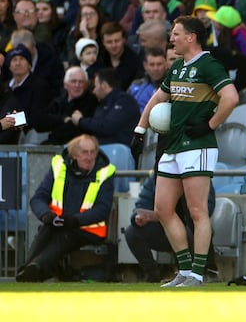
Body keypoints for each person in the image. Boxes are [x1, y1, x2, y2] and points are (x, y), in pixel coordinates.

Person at [131, 15, 239, 287]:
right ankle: (185, 269)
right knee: (163, 209)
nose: (171, 39)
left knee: (197, 210)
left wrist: (210, 124)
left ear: (191, 36)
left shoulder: (209, 65)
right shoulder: (177, 67)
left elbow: (231, 97)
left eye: (176, 34)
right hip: (174, 144)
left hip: (198, 145)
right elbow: (158, 98)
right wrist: (140, 130)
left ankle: (198, 274)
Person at [16, 134, 115, 282]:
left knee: (64, 237)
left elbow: (102, 209)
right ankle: (27, 269)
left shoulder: (105, 172)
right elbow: (38, 198)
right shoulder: (59, 167)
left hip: (88, 229)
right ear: (74, 155)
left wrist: (75, 220)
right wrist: (46, 214)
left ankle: (36, 268)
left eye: (92, 152)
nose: (89, 157)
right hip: (59, 223)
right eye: (84, 152)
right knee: (46, 229)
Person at [124, 173, 216, 283]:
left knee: (191, 230)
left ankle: (199, 271)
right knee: (132, 232)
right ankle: (153, 273)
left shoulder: (198, 176)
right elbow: (141, 206)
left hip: (190, 227)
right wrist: (139, 217)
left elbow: (206, 209)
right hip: (163, 228)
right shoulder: (157, 177)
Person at [71, 67, 139, 145]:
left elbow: (108, 126)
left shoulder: (125, 101)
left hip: (118, 149)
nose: (94, 91)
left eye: (95, 86)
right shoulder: (102, 103)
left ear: (103, 85)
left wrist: (80, 121)